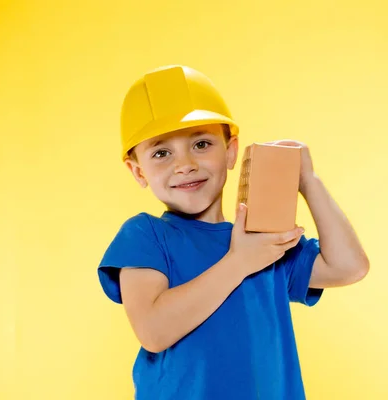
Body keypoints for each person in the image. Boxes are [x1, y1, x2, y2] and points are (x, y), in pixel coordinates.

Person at [97, 65, 369, 400]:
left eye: (201, 144)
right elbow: (153, 331)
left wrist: (308, 182)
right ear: (138, 171)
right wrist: (239, 261)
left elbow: (349, 267)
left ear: (230, 151)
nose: (185, 164)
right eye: (162, 152)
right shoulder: (145, 235)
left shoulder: (263, 238)